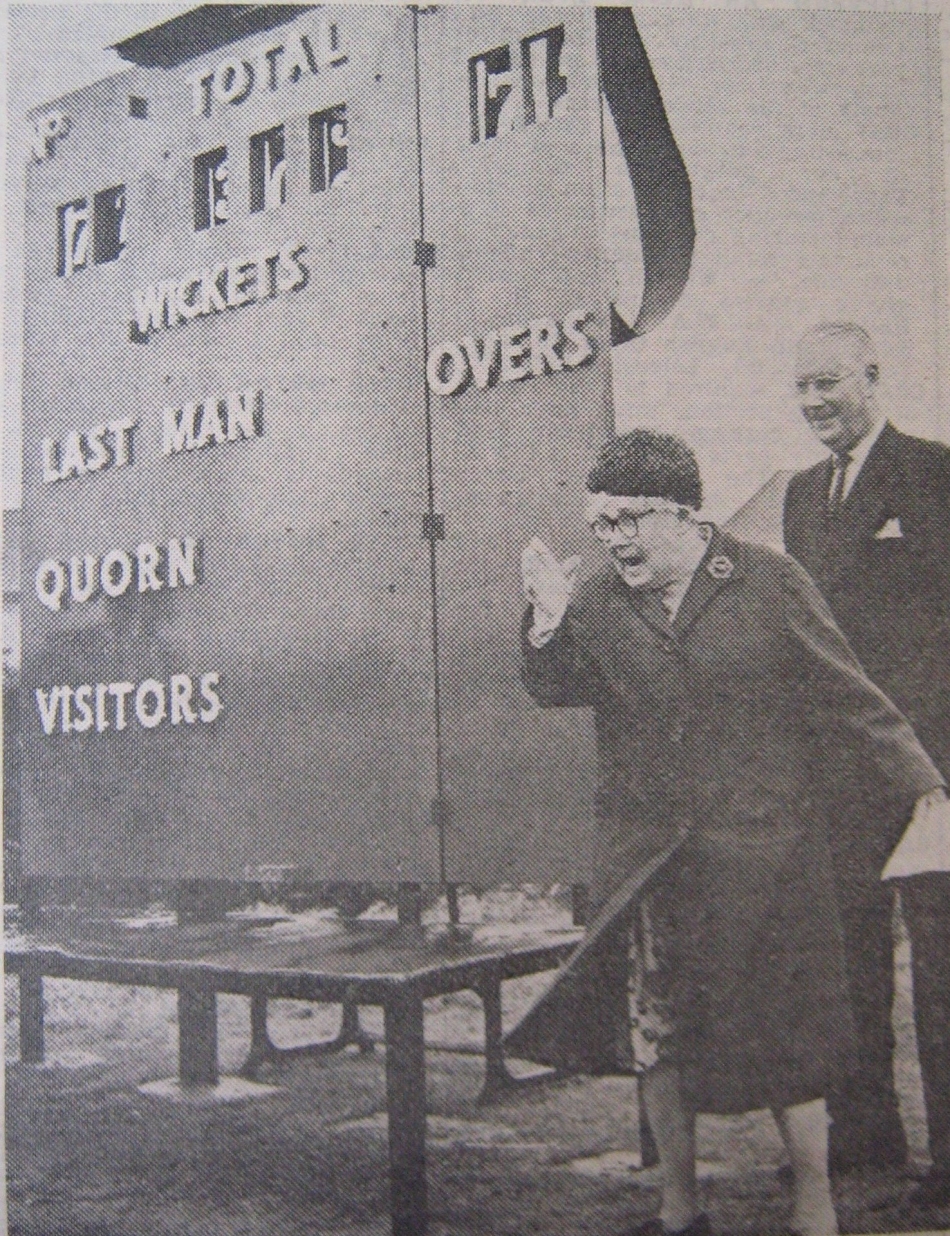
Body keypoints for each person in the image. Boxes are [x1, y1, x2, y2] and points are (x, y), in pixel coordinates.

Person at [506, 429, 947, 1236]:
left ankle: (814, 1203)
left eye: (630, 520)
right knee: (660, 1032)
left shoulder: (769, 581)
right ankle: (680, 1209)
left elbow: (852, 694)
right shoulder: (602, 599)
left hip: (766, 849)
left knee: (791, 1034)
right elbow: (559, 685)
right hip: (653, 859)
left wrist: (926, 788)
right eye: (602, 524)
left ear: (684, 513)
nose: (615, 540)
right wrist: (544, 622)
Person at [783, 322, 950, 1200]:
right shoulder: (803, 495)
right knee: (847, 953)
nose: (814, 403)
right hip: (837, 772)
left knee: (942, 966)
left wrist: (936, 768)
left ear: (873, 377)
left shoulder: (934, 472)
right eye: (801, 388)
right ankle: (865, 1132)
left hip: (928, 768)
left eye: (829, 384)